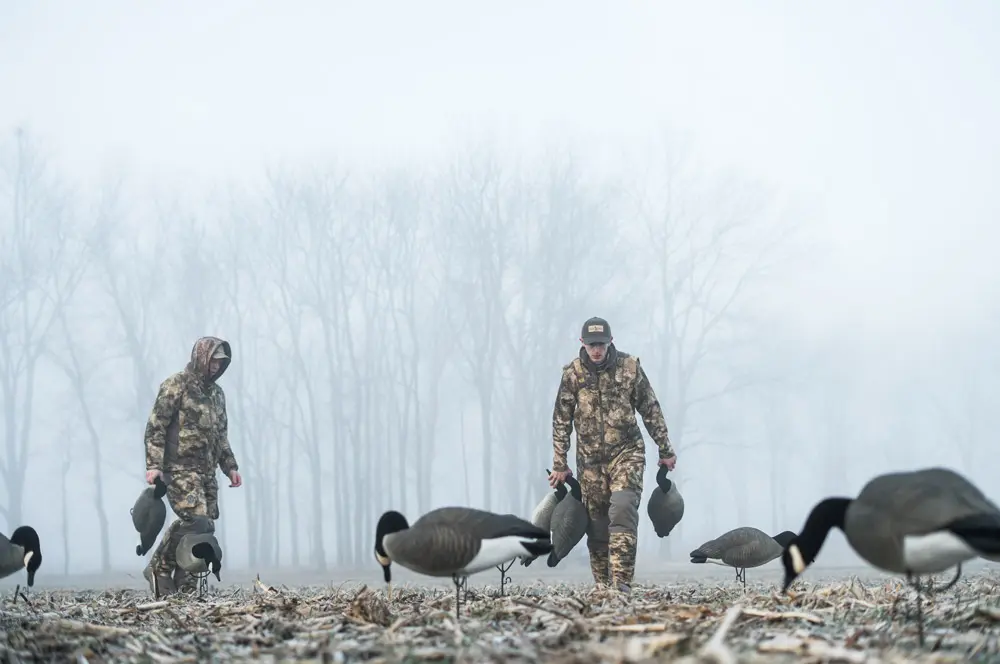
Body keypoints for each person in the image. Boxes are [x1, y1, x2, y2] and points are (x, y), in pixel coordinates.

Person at [548, 316, 677, 593]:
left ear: (610, 343)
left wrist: (665, 449)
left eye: (602, 344)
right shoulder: (572, 375)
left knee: (622, 511)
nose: (597, 350)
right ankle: (604, 586)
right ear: (582, 343)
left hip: (627, 453)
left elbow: (650, 409)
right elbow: (561, 421)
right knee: (597, 526)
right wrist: (560, 463)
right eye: (592, 344)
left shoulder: (629, 368)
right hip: (590, 462)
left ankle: (621, 584)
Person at [142, 336, 243, 596]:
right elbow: (156, 427)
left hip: (206, 473)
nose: (217, 367)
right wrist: (154, 465)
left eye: (222, 363)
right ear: (202, 357)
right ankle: (159, 568)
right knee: (196, 520)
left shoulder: (217, 395)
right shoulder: (176, 385)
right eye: (213, 361)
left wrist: (230, 466)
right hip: (178, 469)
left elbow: (221, 435)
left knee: (205, 527)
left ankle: (185, 581)